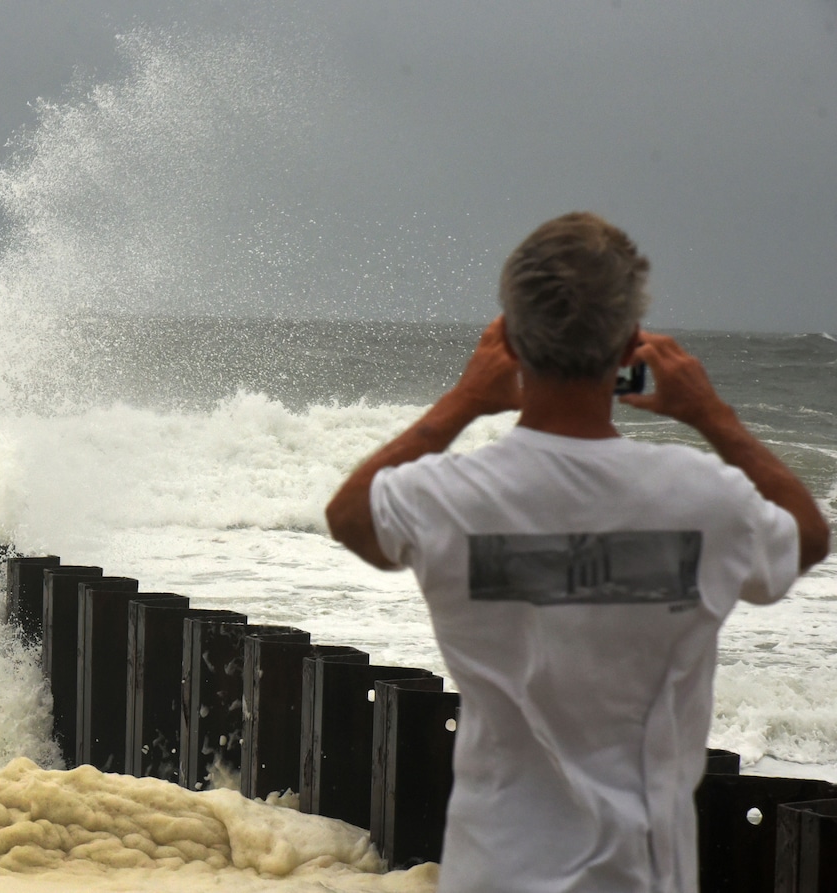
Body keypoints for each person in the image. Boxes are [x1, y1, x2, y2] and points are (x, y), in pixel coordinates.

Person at [325, 212, 830, 893]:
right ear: (630, 345)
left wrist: (466, 398)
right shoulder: (703, 501)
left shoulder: (450, 495)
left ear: (506, 337)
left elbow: (349, 514)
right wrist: (709, 413)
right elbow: (807, 535)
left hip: (490, 870)